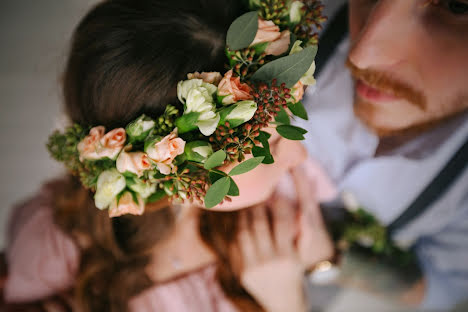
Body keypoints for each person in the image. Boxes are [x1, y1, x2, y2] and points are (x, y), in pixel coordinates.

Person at [2, 0, 332, 311]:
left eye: (287, 119)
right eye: (269, 147)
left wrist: (322, 266)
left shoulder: (290, 197)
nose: (300, 155)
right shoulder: (54, 247)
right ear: (174, 165)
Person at [295, 0, 468, 310]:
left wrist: (329, 262)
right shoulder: (296, 23)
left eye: (456, 7)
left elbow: (447, 287)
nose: (362, 54)